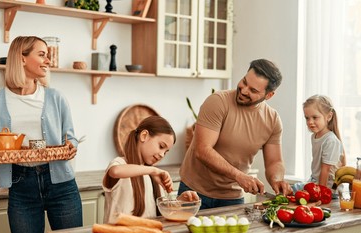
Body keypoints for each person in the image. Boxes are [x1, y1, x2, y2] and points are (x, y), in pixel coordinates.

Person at [0, 36, 82, 233]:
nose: (48, 60)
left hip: (61, 185)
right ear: (22, 58)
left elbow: (70, 139)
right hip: (20, 185)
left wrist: (71, 147)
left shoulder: (56, 97)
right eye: (42, 54)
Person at [179, 58, 292, 210]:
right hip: (194, 192)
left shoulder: (272, 120)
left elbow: (274, 162)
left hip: (232, 197)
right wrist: (239, 176)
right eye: (244, 82)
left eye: (253, 90)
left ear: (269, 95)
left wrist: (277, 180)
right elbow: (202, 149)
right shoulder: (218, 102)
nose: (244, 90)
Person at [102, 115, 199, 224]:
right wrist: (153, 171)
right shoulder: (121, 164)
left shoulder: (153, 174)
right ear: (144, 136)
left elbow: (160, 209)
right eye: (161, 146)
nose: (162, 154)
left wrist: (180, 201)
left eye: (166, 152)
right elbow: (115, 172)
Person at [301, 94, 345, 189]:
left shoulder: (330, 140)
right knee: (295, 188)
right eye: (307, 118)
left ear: (329, 116)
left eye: (315, 117)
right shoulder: (314, 136)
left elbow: (326, 170)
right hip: (316, 182)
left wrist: (320, 193)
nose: (310, 122)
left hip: (327, 188)